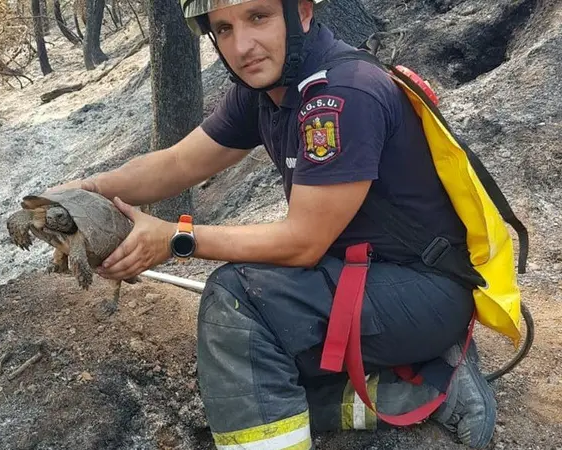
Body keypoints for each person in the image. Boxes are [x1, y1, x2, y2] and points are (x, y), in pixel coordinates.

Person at [51, 0, 497, 448]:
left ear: (300, 12)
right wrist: (86, 190)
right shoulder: (268, 88)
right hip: (369, 276)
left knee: (239, 301)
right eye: (224, 28)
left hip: (423, 291)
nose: (242, 45)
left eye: (258, 17)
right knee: (250, 378)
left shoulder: (342, 95)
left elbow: (303, 241)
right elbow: (179, 163)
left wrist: (176, 239)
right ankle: (429, 386)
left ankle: (423, 355)